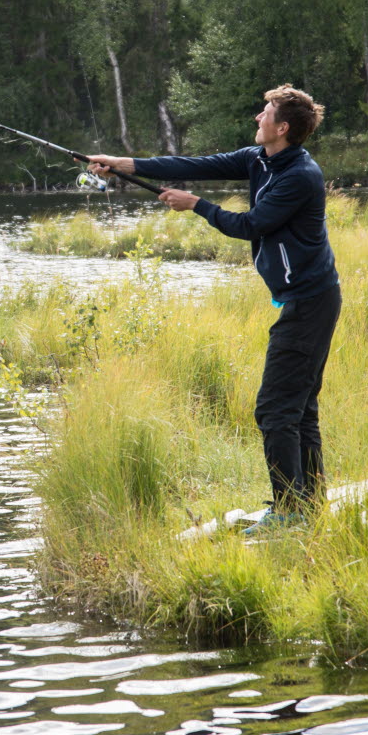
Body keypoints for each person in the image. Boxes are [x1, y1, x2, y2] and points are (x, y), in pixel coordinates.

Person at [88, 86, 340, 533]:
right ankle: (309, 506)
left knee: (275, 409)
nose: (257, 118)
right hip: (307, 297)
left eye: (264, 114)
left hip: (310, 302)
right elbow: (192, 165)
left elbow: (251, 225)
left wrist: (197, 206)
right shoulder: (258, 158)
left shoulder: (300, 175)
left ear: (282, 127)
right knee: (298, 408)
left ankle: (288, 512)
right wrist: (121, 165)